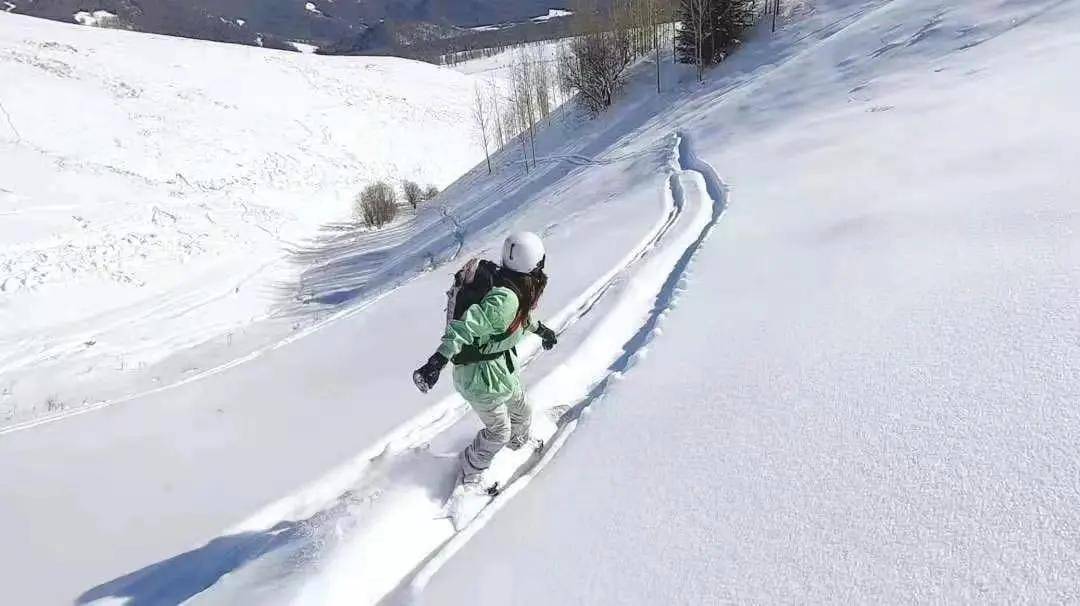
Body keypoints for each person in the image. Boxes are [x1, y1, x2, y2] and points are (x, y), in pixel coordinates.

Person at [413, 231, 558, 489]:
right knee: (498, 431)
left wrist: (542, 331)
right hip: (477, 376)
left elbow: (520, 321)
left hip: (499, 367)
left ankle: (515, 449)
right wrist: (437, 361)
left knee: (522, 409)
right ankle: (469, 475)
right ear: (534, 263)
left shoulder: (514, 284)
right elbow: (464, 328)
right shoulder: (505, 300)